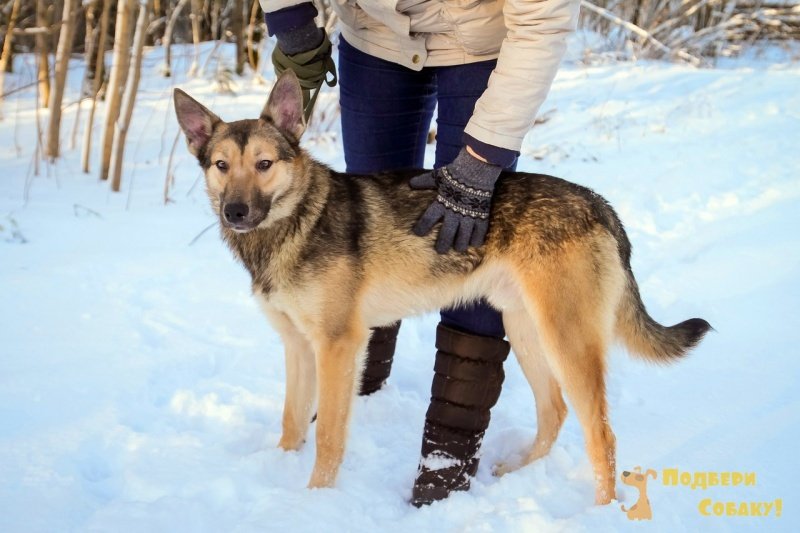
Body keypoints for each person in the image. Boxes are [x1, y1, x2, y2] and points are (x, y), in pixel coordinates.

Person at [258, 0, 580, 506]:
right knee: (367, 222)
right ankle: (360, 384)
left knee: (471, 233)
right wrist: (292, 20)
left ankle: (451, 444)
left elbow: (543, 22)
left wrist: (484, 157)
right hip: (375, 34)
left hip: (481, 41)